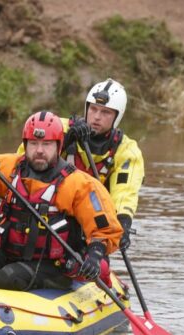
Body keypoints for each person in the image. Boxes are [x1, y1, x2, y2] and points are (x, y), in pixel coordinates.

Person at [0, 111, 122, 290]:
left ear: (58, 146)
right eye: (34, 143)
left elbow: (105, 229)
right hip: (4, 253)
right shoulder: (8, 167)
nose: (39, 150)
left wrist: (95, 256)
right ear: (25, 144)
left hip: (51, 265)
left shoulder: (79, 184)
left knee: (4, 279)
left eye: (46, 144)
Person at [58, 78, 144, 251]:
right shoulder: (59, 128)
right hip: (51, 211)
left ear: (116, 117)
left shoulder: (127, 151)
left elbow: (125, 192)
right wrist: (65, 141)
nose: (97, 117)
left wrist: (123, 223)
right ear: (86, 108)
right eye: (94, 109)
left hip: (89, 221)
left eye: (106, 112)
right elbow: (24, 161)